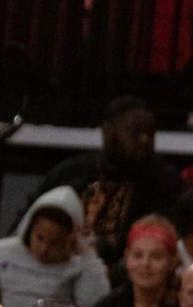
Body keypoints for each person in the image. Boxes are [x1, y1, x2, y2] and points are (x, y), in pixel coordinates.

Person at [36, 97, 184, 266]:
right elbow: (29, 223)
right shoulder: (69, 173)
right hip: (57, 266)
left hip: (128, 273)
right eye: (135, 132)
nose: (144, 139)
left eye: (150, 133)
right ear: (109, 132)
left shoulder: (164, 181)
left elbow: (163, 237)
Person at [0, 188, 110, 307]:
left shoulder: (80, 264)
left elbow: (95, 306)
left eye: (54, 243)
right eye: (40, 238)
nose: (44, 249)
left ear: (70, 240)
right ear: (29, 227)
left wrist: (88, 257)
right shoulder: (0, 251)